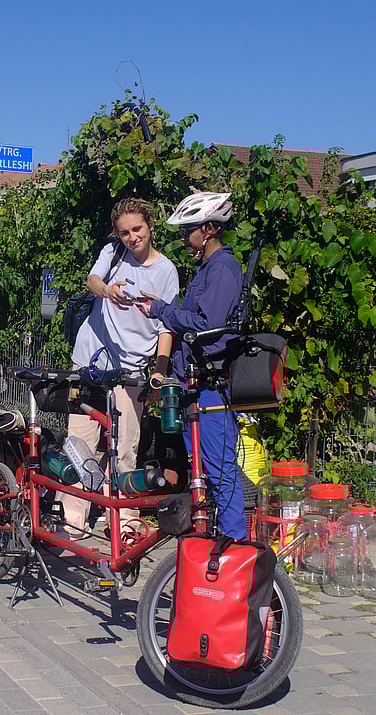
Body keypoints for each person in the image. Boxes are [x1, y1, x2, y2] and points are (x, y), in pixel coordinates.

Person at [62, 198, 181, 537]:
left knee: (125, 446)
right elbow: (92, 280)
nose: (132, 237)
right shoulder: (113, 252)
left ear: (150, 226)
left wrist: (159, 369)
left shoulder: (166, 271)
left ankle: (124, 520)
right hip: (89, 362)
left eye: (137, 229)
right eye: (125, 232)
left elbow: (166, 328)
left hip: (130, 371)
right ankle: (73, 522)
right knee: (81, 444)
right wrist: (107, 290)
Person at [136, 190, 247, 540]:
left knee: (220, 471)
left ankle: (235, 545)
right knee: (201, 471)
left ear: (210, 229)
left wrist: (160, 310)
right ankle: (212, 538)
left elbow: (208, 327)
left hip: (211, 390)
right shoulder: (207, 268)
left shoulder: (223, 269)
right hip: (192, 386)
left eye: (190, 230)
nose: (185, 237)